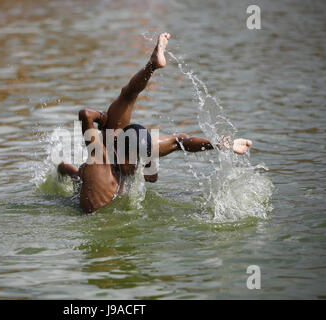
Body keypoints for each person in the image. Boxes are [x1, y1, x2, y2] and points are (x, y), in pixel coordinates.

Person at [57, 33, 252, 213]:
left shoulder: (133, 160)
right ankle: (151, 65)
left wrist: (218, 145)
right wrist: (102, 117)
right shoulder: (98, 162)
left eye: (141, 162)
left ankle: (152, 64)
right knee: (80, 168)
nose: (137, 167)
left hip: (107, 161)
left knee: (130, 99)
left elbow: (179, 142)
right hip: (96, 208)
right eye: (135, 162)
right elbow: (85, 114)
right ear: (122, 152)